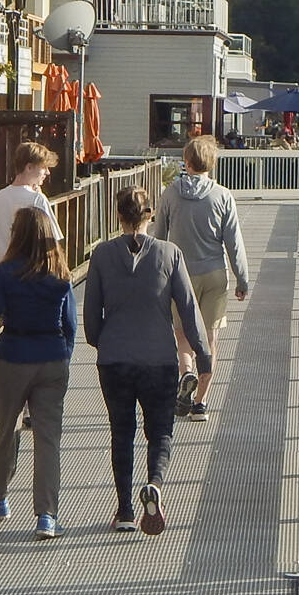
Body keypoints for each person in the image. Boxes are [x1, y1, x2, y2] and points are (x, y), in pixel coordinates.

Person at [83, 187, 211, 534]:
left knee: (121, 432)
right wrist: (203, 356)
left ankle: (125, 510)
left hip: (115, 359)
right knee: (160, 431)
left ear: (118, 216)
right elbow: (188, 309)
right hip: (159, 359)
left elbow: (91, 317)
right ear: (150, 215)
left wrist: (103, 341)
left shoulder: (102, 255)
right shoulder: (170, 253)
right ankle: (154, 483)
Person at [0, 207, 75, 540]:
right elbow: (70, 325)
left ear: (17, 234)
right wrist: (63, 357)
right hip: (51, 359)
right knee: (48, 440)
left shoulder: (5, 273)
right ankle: (47, 516)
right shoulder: (60, 274)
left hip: (12, 358)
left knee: (7, 430)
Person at [152, 135, 249, 421]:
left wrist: (155, 276)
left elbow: (159, 237)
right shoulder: (223, 196)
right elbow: (234, 243)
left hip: (180, 274)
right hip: (214, 274)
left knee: (182, 335)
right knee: (209, 337)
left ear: (186, 161)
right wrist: (242, 279)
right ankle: (200, 403)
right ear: (212, 163)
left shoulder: (170, 193)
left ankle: (187, 373)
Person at [0, 141, 63, 245]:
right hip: (32, 256)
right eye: (44, 167)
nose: (47, 172)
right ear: (29, 167)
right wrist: (39, 195)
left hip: (5, 256)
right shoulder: (37, 198)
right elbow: (53, 238)